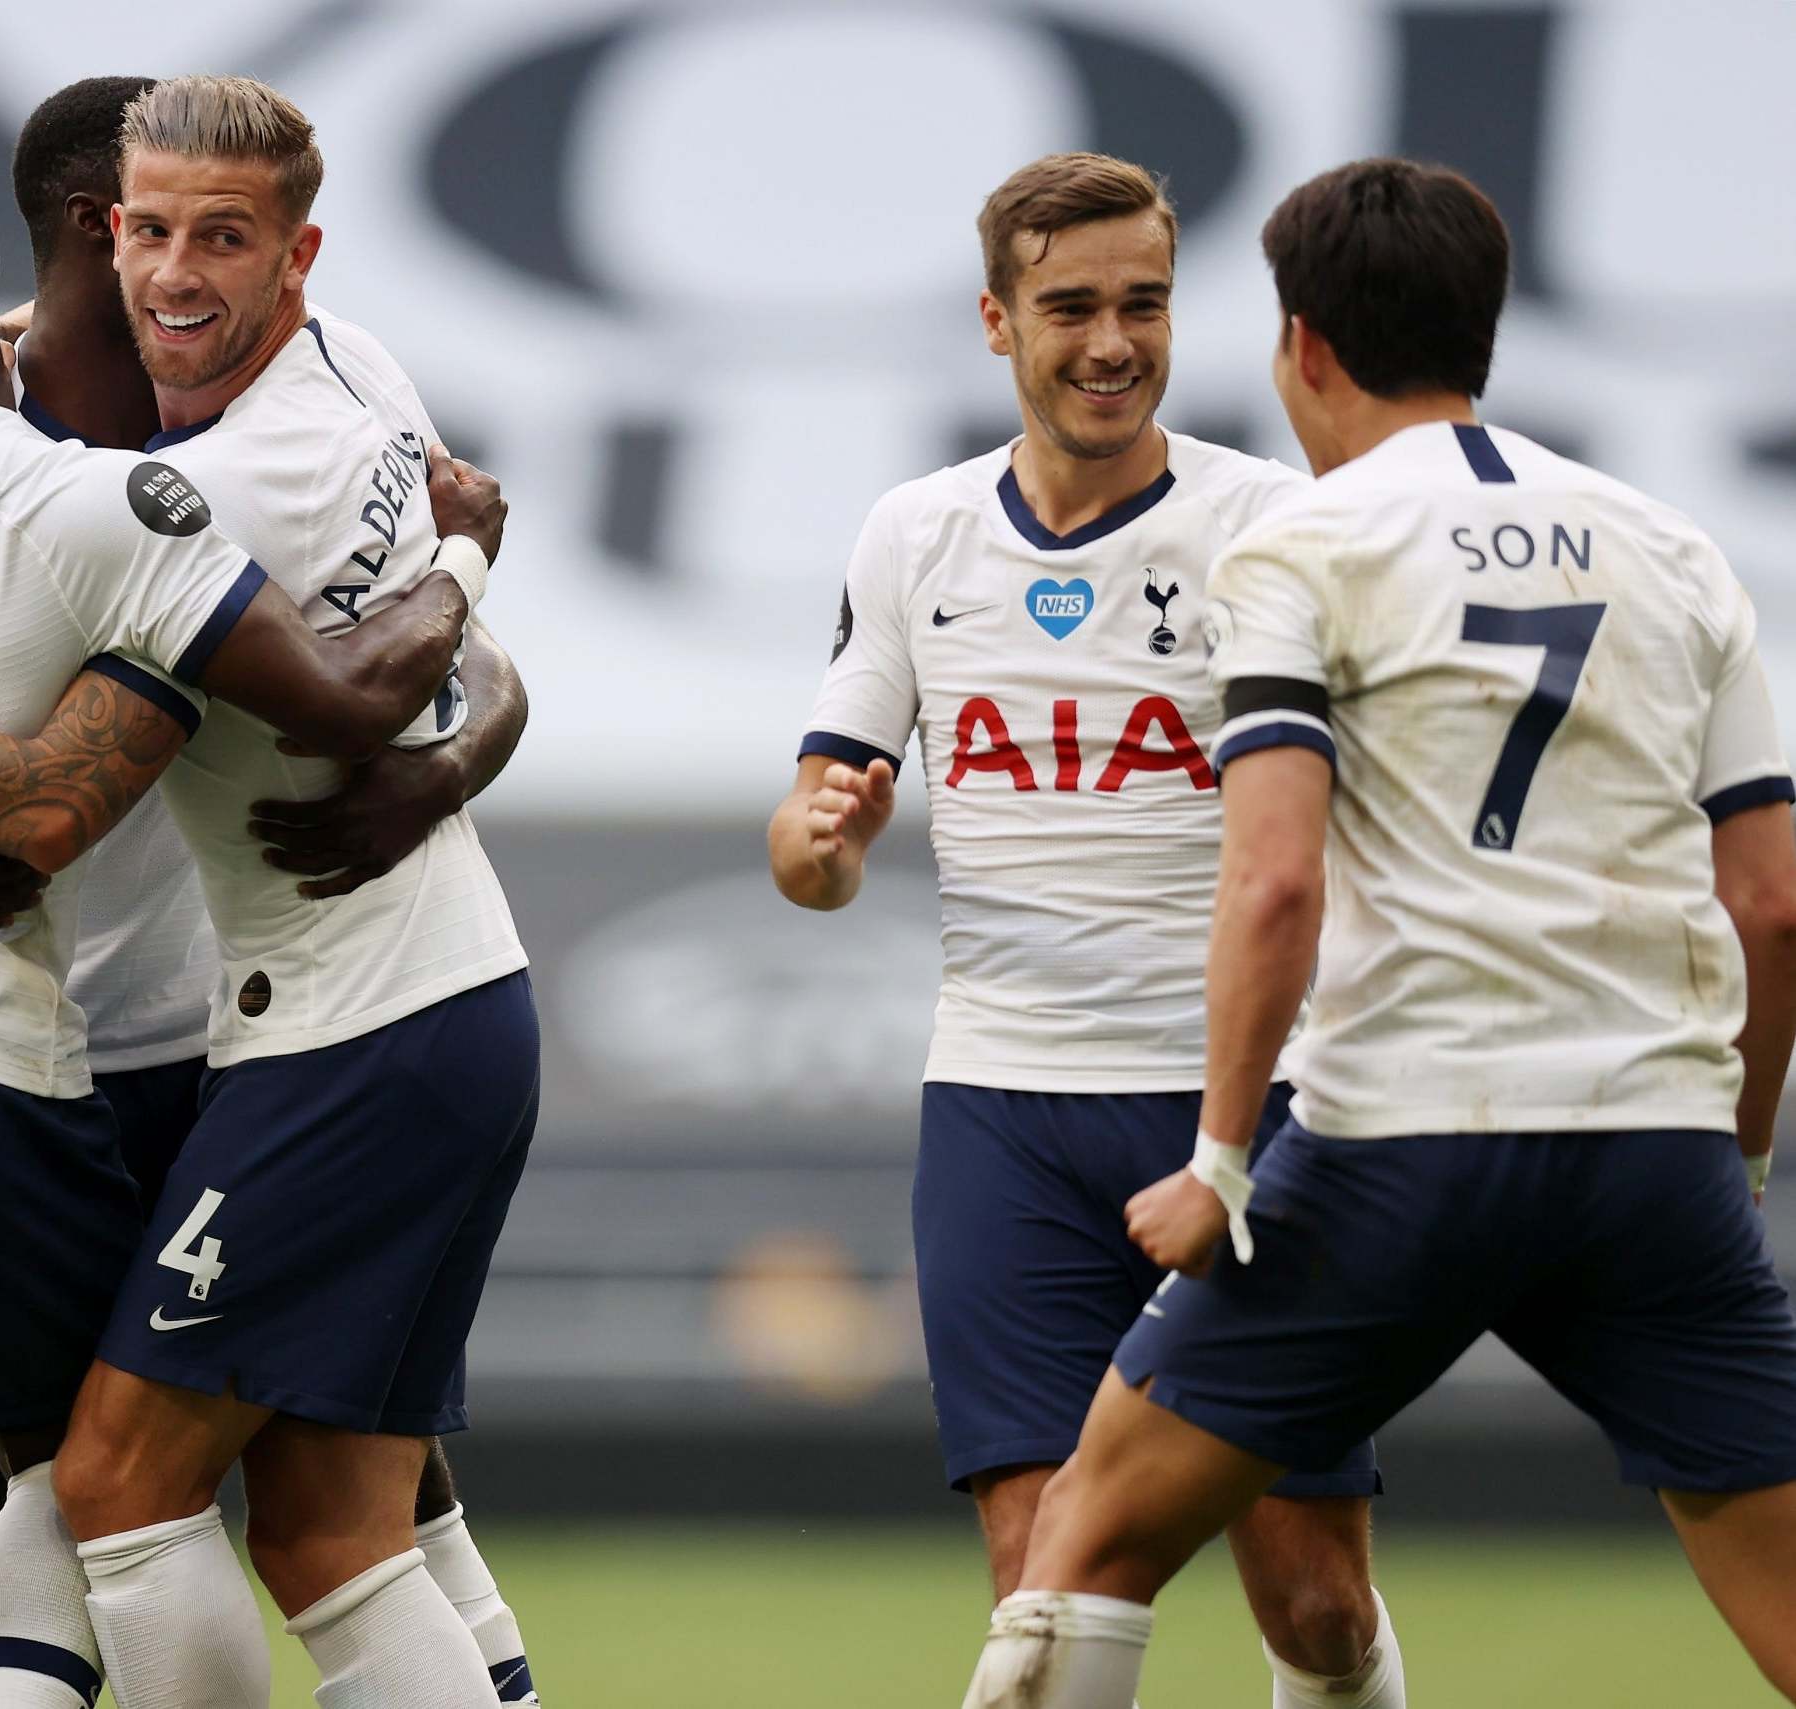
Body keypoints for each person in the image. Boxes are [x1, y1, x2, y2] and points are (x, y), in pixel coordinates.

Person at [0, 75, 539, 1709]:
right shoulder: (13, 422)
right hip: (113, 1032)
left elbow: (79, 789)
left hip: (196, 1025)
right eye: (152, 229)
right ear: (96, 231)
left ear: (292, 254)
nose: (182, 272)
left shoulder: (240, 448)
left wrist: (461, 738)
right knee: (171, 1486)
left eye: (226, 237)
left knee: (140, 1476)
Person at [960, 157, 1796, 1709]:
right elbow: (1772, 901)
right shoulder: (1673, 549)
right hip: (1647, 1147)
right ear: (1481, 330)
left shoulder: (1302, 547)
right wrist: (1731, 1152)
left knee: (1080, 1544)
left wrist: (1218, 1157)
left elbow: (1273, 879)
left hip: (1404, 1145)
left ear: (1301, 348)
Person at [767, 153, 1403, 1707]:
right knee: (1037, 1586)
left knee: (1311, 1600)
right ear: (997, 322)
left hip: (1244, 1112)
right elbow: (806, 845)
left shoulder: (1271, 523)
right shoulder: (915, 535)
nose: (1111, 340)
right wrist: (826, 839)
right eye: (1070, 308)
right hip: (1002, 1105)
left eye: (1142, 303)